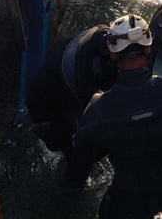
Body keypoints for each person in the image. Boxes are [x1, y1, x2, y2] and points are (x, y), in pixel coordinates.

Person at [68, 14, 162, 219]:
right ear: (148, 49)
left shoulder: (99, 109)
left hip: (131, 195)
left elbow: (86, 152)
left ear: (114, 56)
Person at [25, 23, 115, 157]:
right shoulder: (84, 77)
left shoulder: (105, 36)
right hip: (46, 101)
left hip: (55, 69)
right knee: (76, 151)